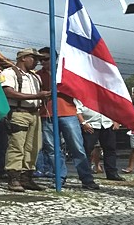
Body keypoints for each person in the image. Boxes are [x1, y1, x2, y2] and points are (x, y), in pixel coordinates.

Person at [36, 47, 100, 190]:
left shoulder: (66, 72)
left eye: (45, 59)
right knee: (52, 149)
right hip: (47, 114)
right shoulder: (37, 75)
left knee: (77, 147)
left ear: (54, 58)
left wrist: (59, 89)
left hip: (68, 113)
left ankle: (87, 179)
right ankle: (59, 177)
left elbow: (80, 89)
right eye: (40, 60)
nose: (42, 62)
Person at [0, 48, 51, 192]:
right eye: (33, 58)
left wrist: (43, 99)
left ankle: (27, 177)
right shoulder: (9, 73)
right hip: (18, 112)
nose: (37, 62)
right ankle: (13, 177)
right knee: (17, 145)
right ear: (23, 58)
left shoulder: (35, 77)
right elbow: (8, 92)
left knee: (34, 146)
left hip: (35, 114)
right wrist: (36, 97)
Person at [75, 98, 125, 182]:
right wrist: (83, 123)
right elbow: (77, 110)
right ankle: (86, 174)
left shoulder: (105, 93)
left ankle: (112, 173)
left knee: (110, 149)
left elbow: (115, 107)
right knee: (87, 150)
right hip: (91, 125)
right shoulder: (82, 94)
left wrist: (116, 121)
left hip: (107, 124)